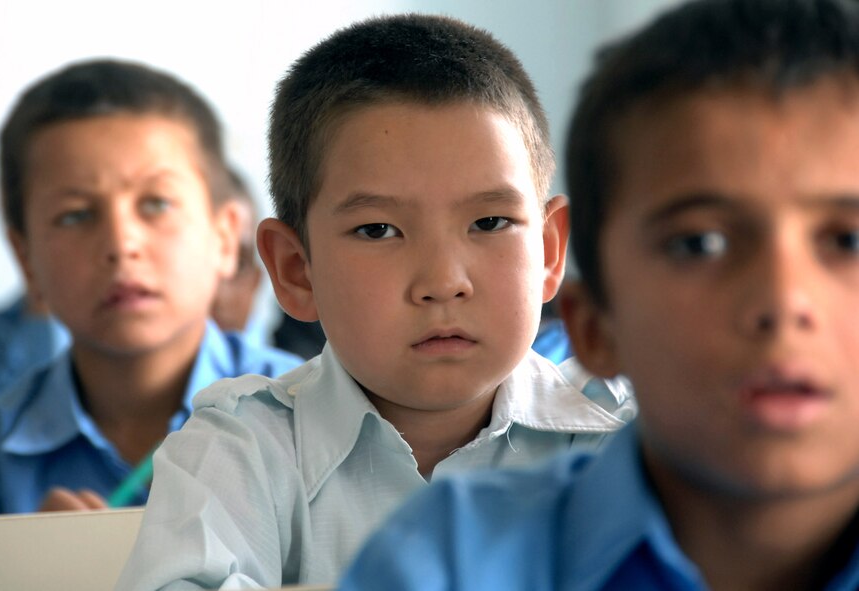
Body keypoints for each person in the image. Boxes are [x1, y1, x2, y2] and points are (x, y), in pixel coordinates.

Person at [337, 1, 859, 590]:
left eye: (847, 239)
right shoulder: (447, 562)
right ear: (593, 327)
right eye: (700, 243)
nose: (784, 302)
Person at [116, 14, 634, 589]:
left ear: (549, 251)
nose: (443, 281)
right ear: (296, 271)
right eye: (379, 230)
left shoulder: (626, 438)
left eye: (489, 222)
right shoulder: (242, 448)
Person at [0, 59, 303, 515]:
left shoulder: (314, 419)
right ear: (26, 258)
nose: (120, 244)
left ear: (227, 236)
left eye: (156, 203)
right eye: (75, 215)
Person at [209, 167, 264, 339]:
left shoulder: (279, 366)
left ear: (256, 282)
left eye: (239, 264)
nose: (219, 295)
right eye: (203, 262)